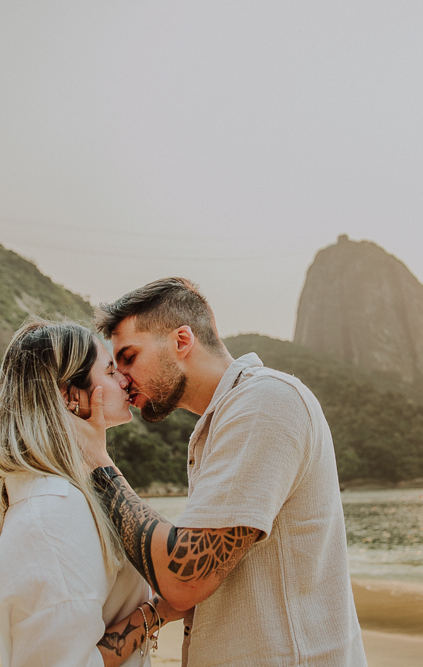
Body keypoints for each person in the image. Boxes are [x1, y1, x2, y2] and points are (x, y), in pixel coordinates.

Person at [84, 278, 367, 666]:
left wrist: (97, 463)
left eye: (130, 357)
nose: (123, 379)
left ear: (182, 341)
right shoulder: (224, 422)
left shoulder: (264, 402)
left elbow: (185, 578)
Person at [0, 318, 185, 667]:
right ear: (69, 395)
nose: (125, 380)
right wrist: (157, 612)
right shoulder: (54, 512)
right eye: (110, 371)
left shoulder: (70, 494)